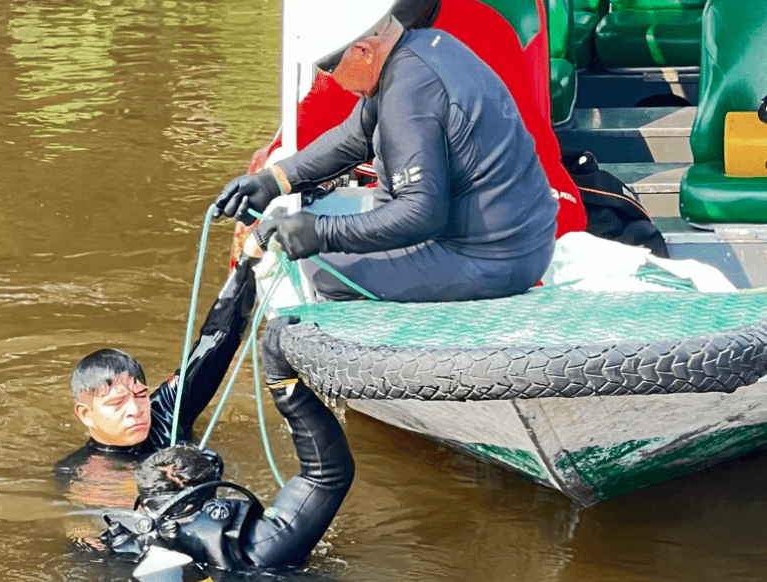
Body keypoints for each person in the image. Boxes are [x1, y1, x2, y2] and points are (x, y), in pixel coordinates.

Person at [215, 4, 559, 303]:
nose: (329, 79)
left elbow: (421, 214)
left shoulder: (408, 94)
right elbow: (353, 137)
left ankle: (364, 364)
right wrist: (274, 180)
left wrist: (320, 233)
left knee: (323, 268)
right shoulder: (420, 47)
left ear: (364, 50)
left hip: (493, 258)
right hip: (508, 234)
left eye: (328, 67)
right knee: (327, 215)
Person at [100, 316, 355, 576]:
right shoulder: (259, 547)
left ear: (144, 504)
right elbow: (328, 475)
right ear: (211, 491)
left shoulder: (126, 549)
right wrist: (282, 381)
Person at [53, 253, 257, 504]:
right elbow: (86, 534)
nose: (135, 410)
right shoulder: (77, 473)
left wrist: (247, 264)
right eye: (117, 403)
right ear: (85, 414)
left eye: (140, 395)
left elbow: (217, 341)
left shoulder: (166, 413)